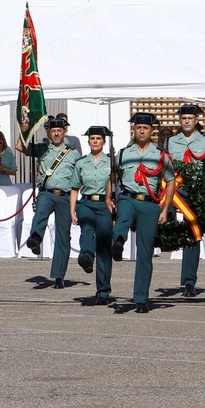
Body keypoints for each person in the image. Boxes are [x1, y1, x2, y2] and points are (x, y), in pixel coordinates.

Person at [113, 112, 176, 313]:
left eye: (146, 128)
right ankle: (118, 243)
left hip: (150, 204)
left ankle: (141, 298)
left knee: (145, 253)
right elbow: (112, 177)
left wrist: (165, 209)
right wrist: (108, 199)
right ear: (134, 129)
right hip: (128, 198)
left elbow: (171, 180)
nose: (141, 130)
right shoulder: (122, 154)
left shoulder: (160, 154)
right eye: (138, 127)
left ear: (151, 130)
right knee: (122, 218)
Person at [25, 115, 80, 288]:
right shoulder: (43, 150)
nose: (56, 134)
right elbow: (20, 146)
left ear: (65, 132)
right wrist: (26, 126)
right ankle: (35, 238)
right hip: (46, 193)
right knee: (40, 212)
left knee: (63, 236)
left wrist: (74, 207)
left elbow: (78, 178)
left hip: (64, 196)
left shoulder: (73, 153)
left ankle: (58, 275)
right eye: (53, 131)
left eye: (59, 130)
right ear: (48, 132)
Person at [166, 104, 205, 297]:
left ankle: (189, 282)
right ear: (179, 120)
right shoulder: (170, 142)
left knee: (193, 235)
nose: (187, 121)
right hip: (173, 193)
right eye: (183, 118)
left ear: (196, 120)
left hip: (195, 193)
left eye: (190, 118)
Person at [71, 125, 116, 307]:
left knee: (104, 247)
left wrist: (115, 213)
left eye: (98, 138)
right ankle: (87, 257)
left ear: (104, 142)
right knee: (87, 227)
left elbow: (116, 188)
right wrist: (72, 211)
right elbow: (75, 188)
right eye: (92, 138)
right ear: (88, 141)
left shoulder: (112, 163)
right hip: (86, 202)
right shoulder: (81, 163)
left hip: (105, 205)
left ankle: (103, 291)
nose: (95, 141)